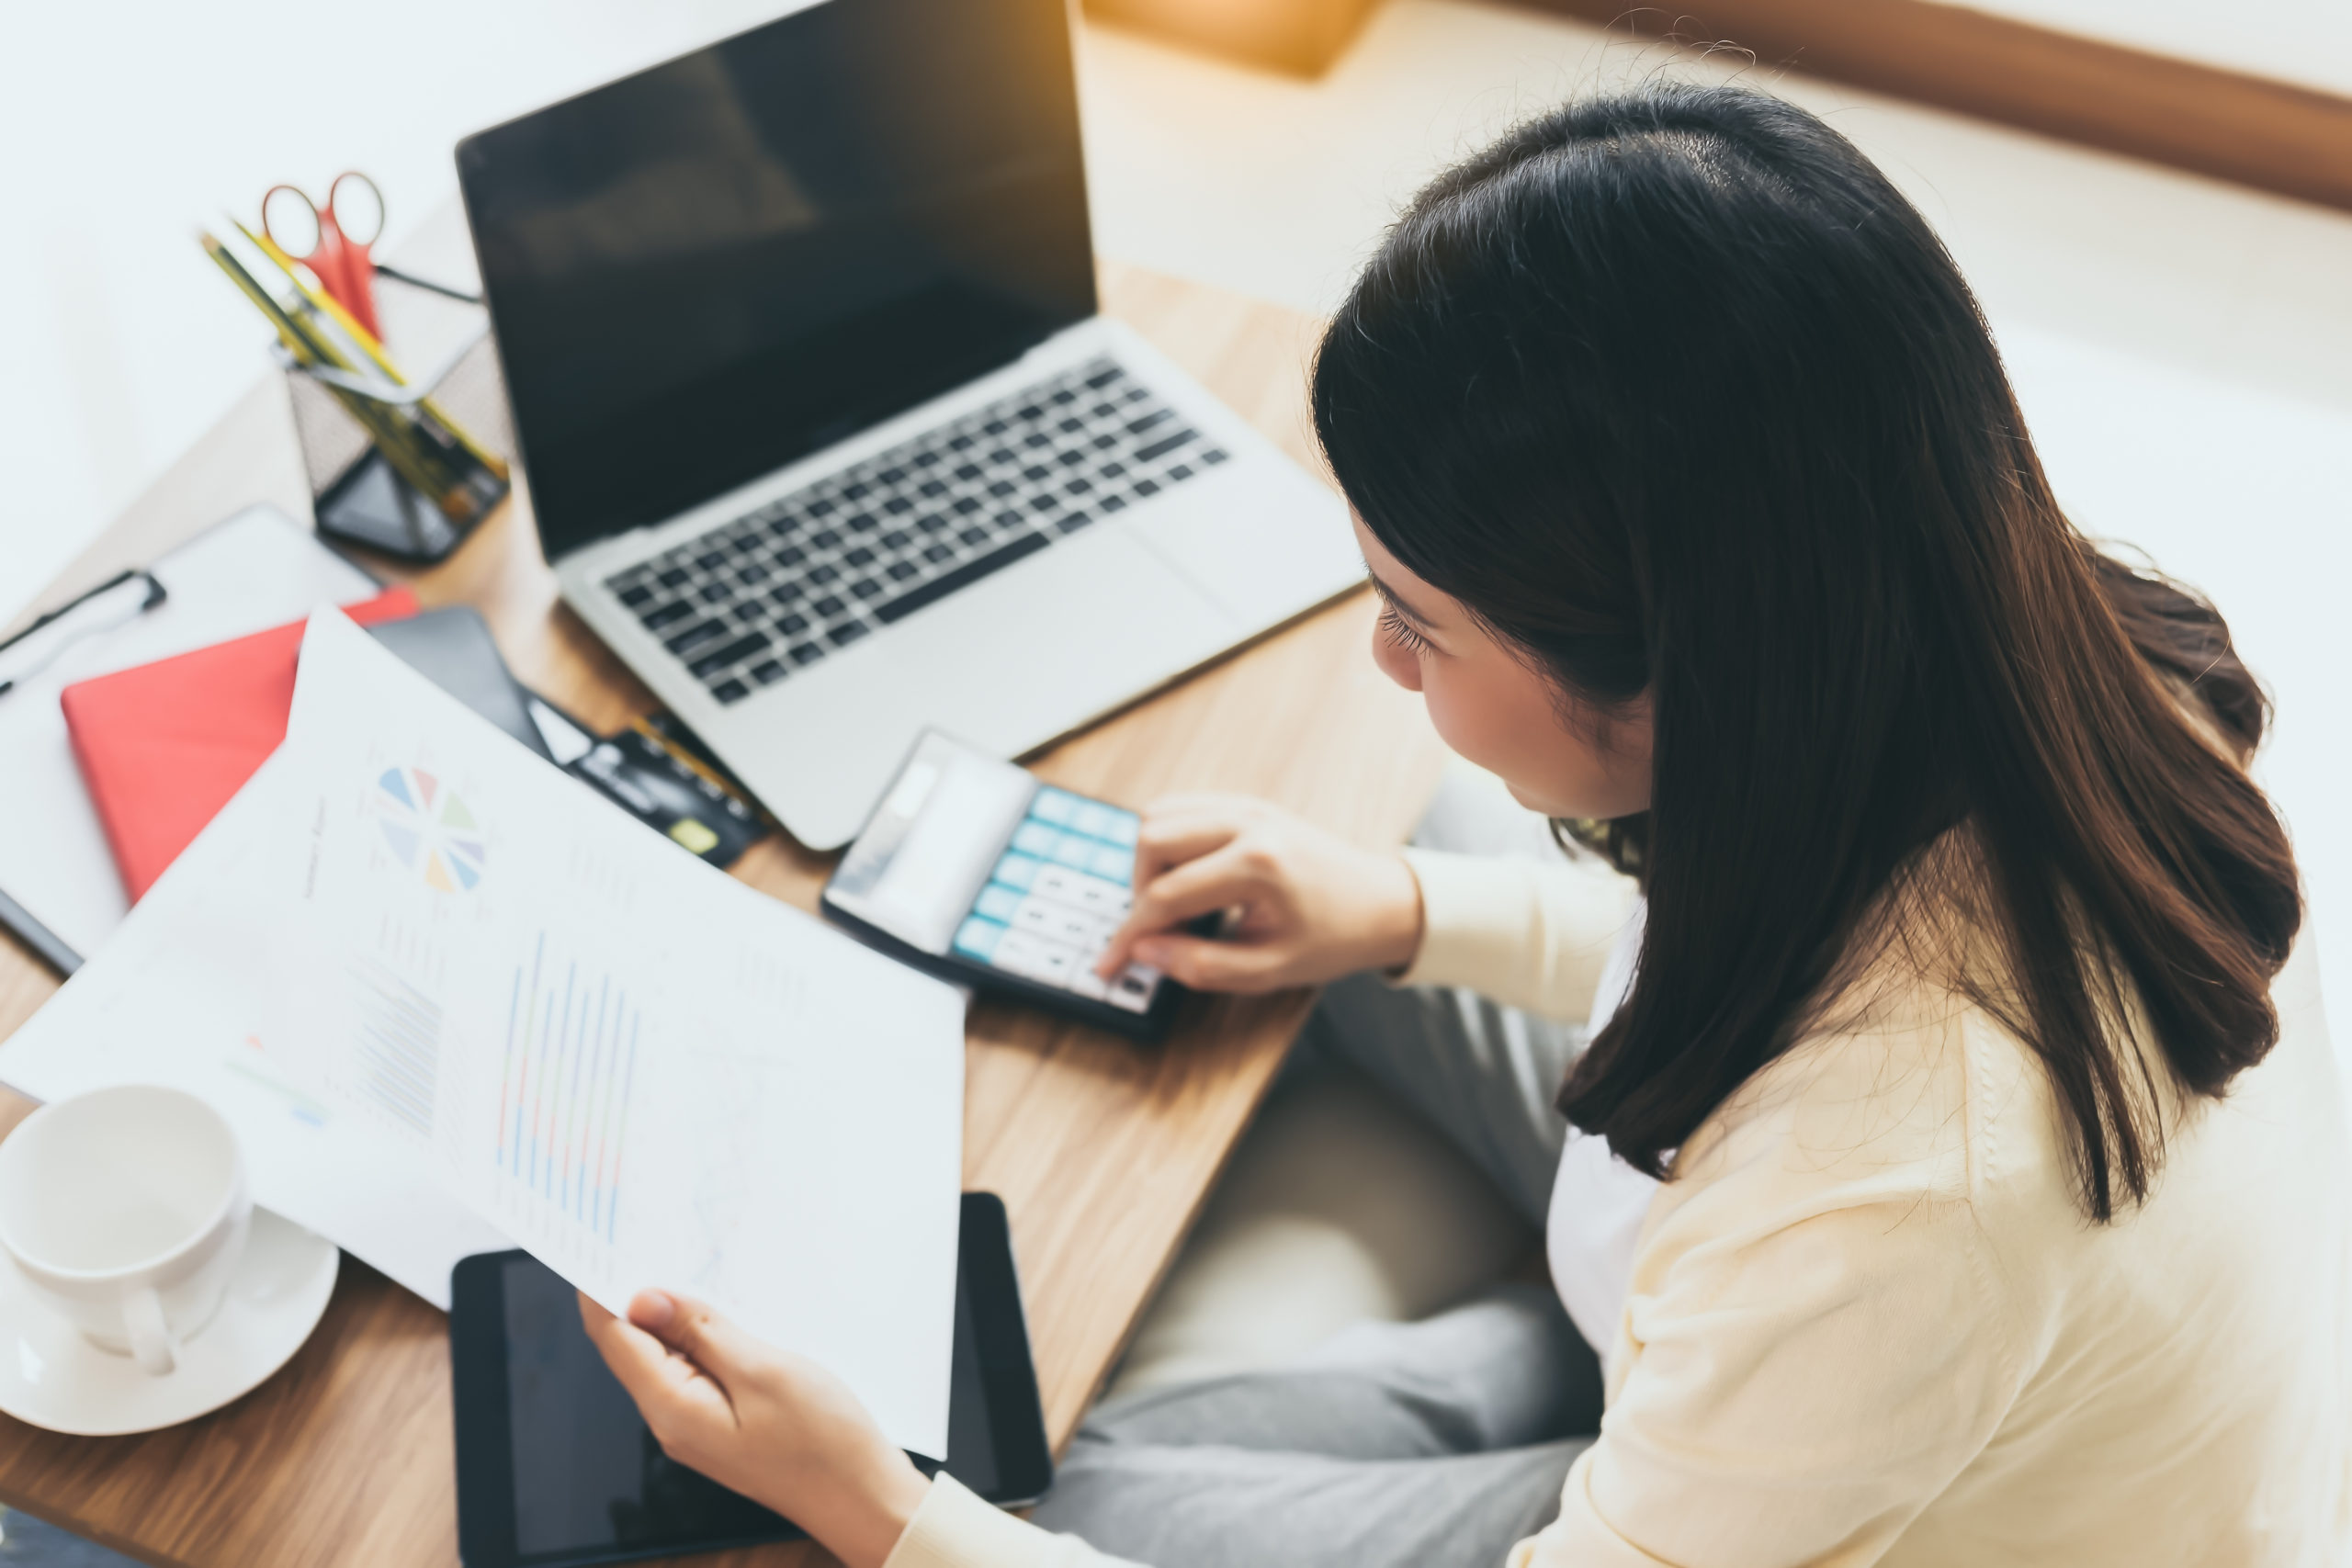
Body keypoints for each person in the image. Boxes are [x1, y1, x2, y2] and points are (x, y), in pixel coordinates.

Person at [580, 84, 2352, 1567]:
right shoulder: (2063, 655)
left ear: (1676, 666)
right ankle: (1556, 1341)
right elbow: (1765, 943)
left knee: (1071, 1482)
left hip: (1854, 1432)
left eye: (1417, 619)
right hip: (1834, 1343)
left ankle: (1550, 1367)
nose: (1379, 648)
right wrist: (1403, 912)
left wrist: (881, 1514)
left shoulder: (1888, 1200)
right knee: (1347, 890)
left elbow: (1860, 1166)